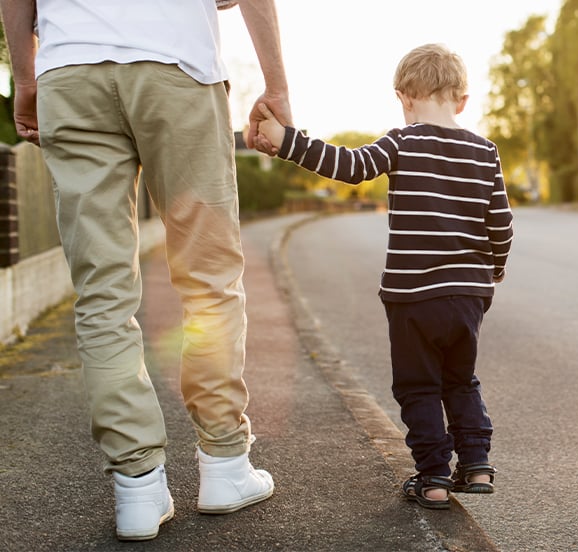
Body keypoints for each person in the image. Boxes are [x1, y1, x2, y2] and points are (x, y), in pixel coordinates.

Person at [0, 0, 291, 541]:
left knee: (101, 293)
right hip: (176, 62)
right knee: (209, 281)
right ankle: (225, 465)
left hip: (71, 69)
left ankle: (136, 486)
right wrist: (276, 87)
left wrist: (25, 75)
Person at [255, 43, 513, 510]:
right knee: (461, 379)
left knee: (418, 385)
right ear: (463, 100)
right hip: (469, 295)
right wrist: (492, 271)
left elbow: (348, 167)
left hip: (414, 296)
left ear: (404, 97)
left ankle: (433, 476)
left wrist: (289, 141)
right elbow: (501, 223)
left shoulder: (402, 141)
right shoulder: (485, 152)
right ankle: (476, 464)